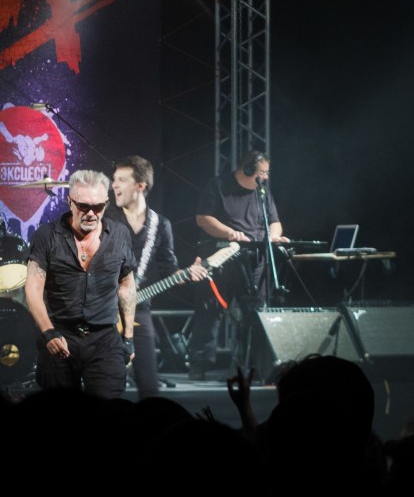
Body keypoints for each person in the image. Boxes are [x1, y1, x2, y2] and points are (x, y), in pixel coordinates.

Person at [24, 169, 137, 399]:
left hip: (104, 338)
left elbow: (126, 286)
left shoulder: (119, 235)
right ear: (70, 202)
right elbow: (33, 290)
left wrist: (128, 337)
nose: (91, 213)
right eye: (83, 206)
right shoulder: (47, 236)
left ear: (106, 203)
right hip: (60, 334)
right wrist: (48, 333)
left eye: (98, 207)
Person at [105, 156, 209, 399]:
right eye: (114, 179)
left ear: (140, 186)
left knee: (149, 387)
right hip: (103, 308)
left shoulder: (160, 225)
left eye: (122, 180)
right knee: (107, 388)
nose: (114, 185)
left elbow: (170, 271)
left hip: (139, 308)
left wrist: (189, 274)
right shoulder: (105, 218)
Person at [186, 150, 289, 380]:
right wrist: (230, 233)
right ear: (248, 169)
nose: (266, 177)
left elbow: (275, 222)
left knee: (256, 314)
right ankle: (199, 366)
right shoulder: (218, 186)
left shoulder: (262, 193)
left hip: (254, 263)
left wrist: (273, 236)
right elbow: (203, 218)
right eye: (263, 172)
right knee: (209, 312)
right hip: (221, 259)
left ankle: (255, 366)